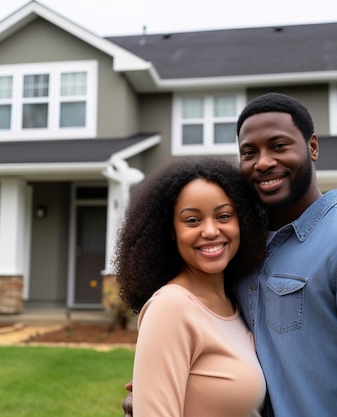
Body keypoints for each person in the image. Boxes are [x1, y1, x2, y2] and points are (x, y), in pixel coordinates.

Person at [123, 92, 337, 416]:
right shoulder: (243, 254)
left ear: (312, 147)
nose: (264, 161)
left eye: (279, 145)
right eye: (249, 152)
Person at [115, 157, 269, 417]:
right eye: (192, 220)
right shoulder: (171, 308)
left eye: (223, 216)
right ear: (171, 230)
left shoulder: (236, 302)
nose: (210, 230)